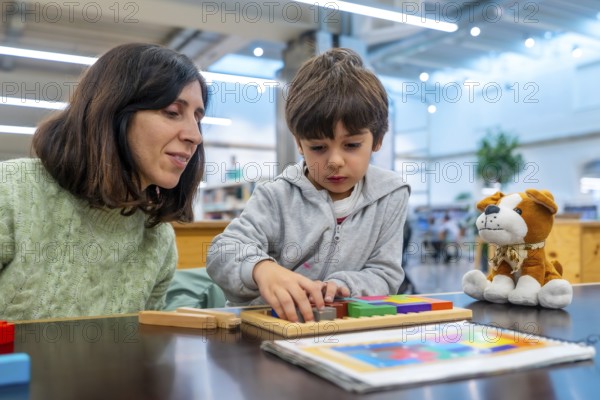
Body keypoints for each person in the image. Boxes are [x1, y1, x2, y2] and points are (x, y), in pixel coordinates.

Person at [0, 43, 209, 320]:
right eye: (172, 112)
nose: (195, 136)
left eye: (198, 118)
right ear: (114, 111)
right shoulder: (14, 191)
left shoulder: (157, 239)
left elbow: (142, 351)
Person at [206, 48, 410, 322]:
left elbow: (385, 274)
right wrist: (262, 268)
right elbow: (223, 251)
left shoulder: (391, 194)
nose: (335, 161)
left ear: (377, 140)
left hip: (344, 331)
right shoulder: (276, 195)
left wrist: (343, 285)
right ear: (298, 143)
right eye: (318, 147)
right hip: (272, 329)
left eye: (351, 145)